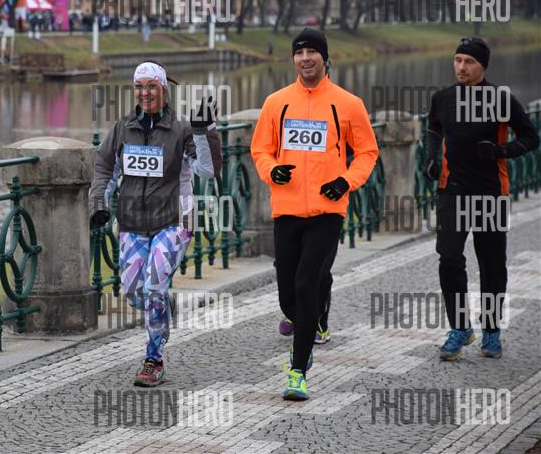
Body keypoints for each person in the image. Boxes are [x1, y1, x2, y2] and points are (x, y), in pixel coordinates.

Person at [251, 27, 379, 400]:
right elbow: (260, 149)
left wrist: (346, 181)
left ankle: (297, 371)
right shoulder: (276, 102)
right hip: (287, 209)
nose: (305, 58)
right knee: (287, 294)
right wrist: (271, 170)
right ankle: (307, 327)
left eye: (312, 52)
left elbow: (367, 152)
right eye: (299, 52)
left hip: (327, 210)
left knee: (307, 283)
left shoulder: (348, 103)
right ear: (293, 58)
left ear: (325, 57)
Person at [89, 61, 221, 387]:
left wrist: (204, 131)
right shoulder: (123, 128)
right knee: (135, 293)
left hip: (174, 220)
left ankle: (154, 359)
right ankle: (162, 306)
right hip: (132, 222)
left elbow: (207, 171)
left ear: (163, 89)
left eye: (151, 86)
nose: (145, 93)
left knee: (153, 288)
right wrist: (99, 204)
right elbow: (105, 168)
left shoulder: (181, 128)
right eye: (139, 87)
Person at [424, 37, 539, 361]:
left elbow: (531, 137)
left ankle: (491, 329)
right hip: (452, 190)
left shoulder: (501, 99)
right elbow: (433, 128)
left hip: (491, 191)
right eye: (458, 60)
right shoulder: (443, 98)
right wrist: (431, 158)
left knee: (491, 264)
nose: (461, 67)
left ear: (482, 66)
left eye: (469, 62)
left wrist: (502, 151)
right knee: (449, 259)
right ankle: (460, 326)